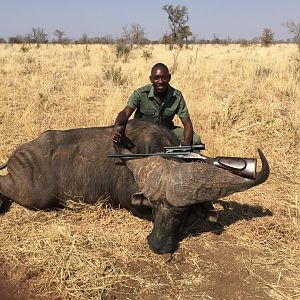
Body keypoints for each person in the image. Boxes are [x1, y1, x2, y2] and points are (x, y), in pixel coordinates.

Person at [111, 63, 201, 146]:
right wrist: (116, 126)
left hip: (167, 130)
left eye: (164, 78)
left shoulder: (177, 96)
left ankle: (189, 161)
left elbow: (187, 124)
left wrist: (185, 147)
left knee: (195, 139)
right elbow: (125, 113)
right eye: (156, 78)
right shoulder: (140, 93)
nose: (160, 81)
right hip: (143, 131)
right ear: (151, 79)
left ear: (169, 77)